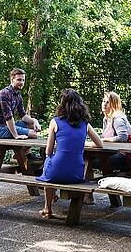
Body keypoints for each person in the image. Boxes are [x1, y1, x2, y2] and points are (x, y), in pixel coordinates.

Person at [36, 89, 103, 219]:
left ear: (62, 104)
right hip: (76, 173)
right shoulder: (85, 124)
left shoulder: (55, 122)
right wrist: (82, 144)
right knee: (53, 167)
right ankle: (52, 195)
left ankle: (47, 208)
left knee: (48, 164)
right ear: (80, 104)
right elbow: (99, 144)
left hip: (56, 171)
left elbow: (48, 151)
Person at [0, 68, 41, 139]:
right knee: (33, 134)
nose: (22, 82)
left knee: (32, 124)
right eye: (19, 80)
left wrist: (34, 120)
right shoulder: (4, 94)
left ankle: (20, 148)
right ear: (12, 80)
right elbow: (9, 118)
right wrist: (16, 136)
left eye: (23, 80)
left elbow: (23, 115)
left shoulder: (18, 95)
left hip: (7, 126)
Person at [91, 91, 131, 174]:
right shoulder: (106, 119)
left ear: (114, 104)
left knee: (91, 161)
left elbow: (123, 137)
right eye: (104, 101)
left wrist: (105, 140)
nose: (104, 104)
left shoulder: (118, 118)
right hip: (111, 152)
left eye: (108, 102)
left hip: (124, 157)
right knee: (88, 157)